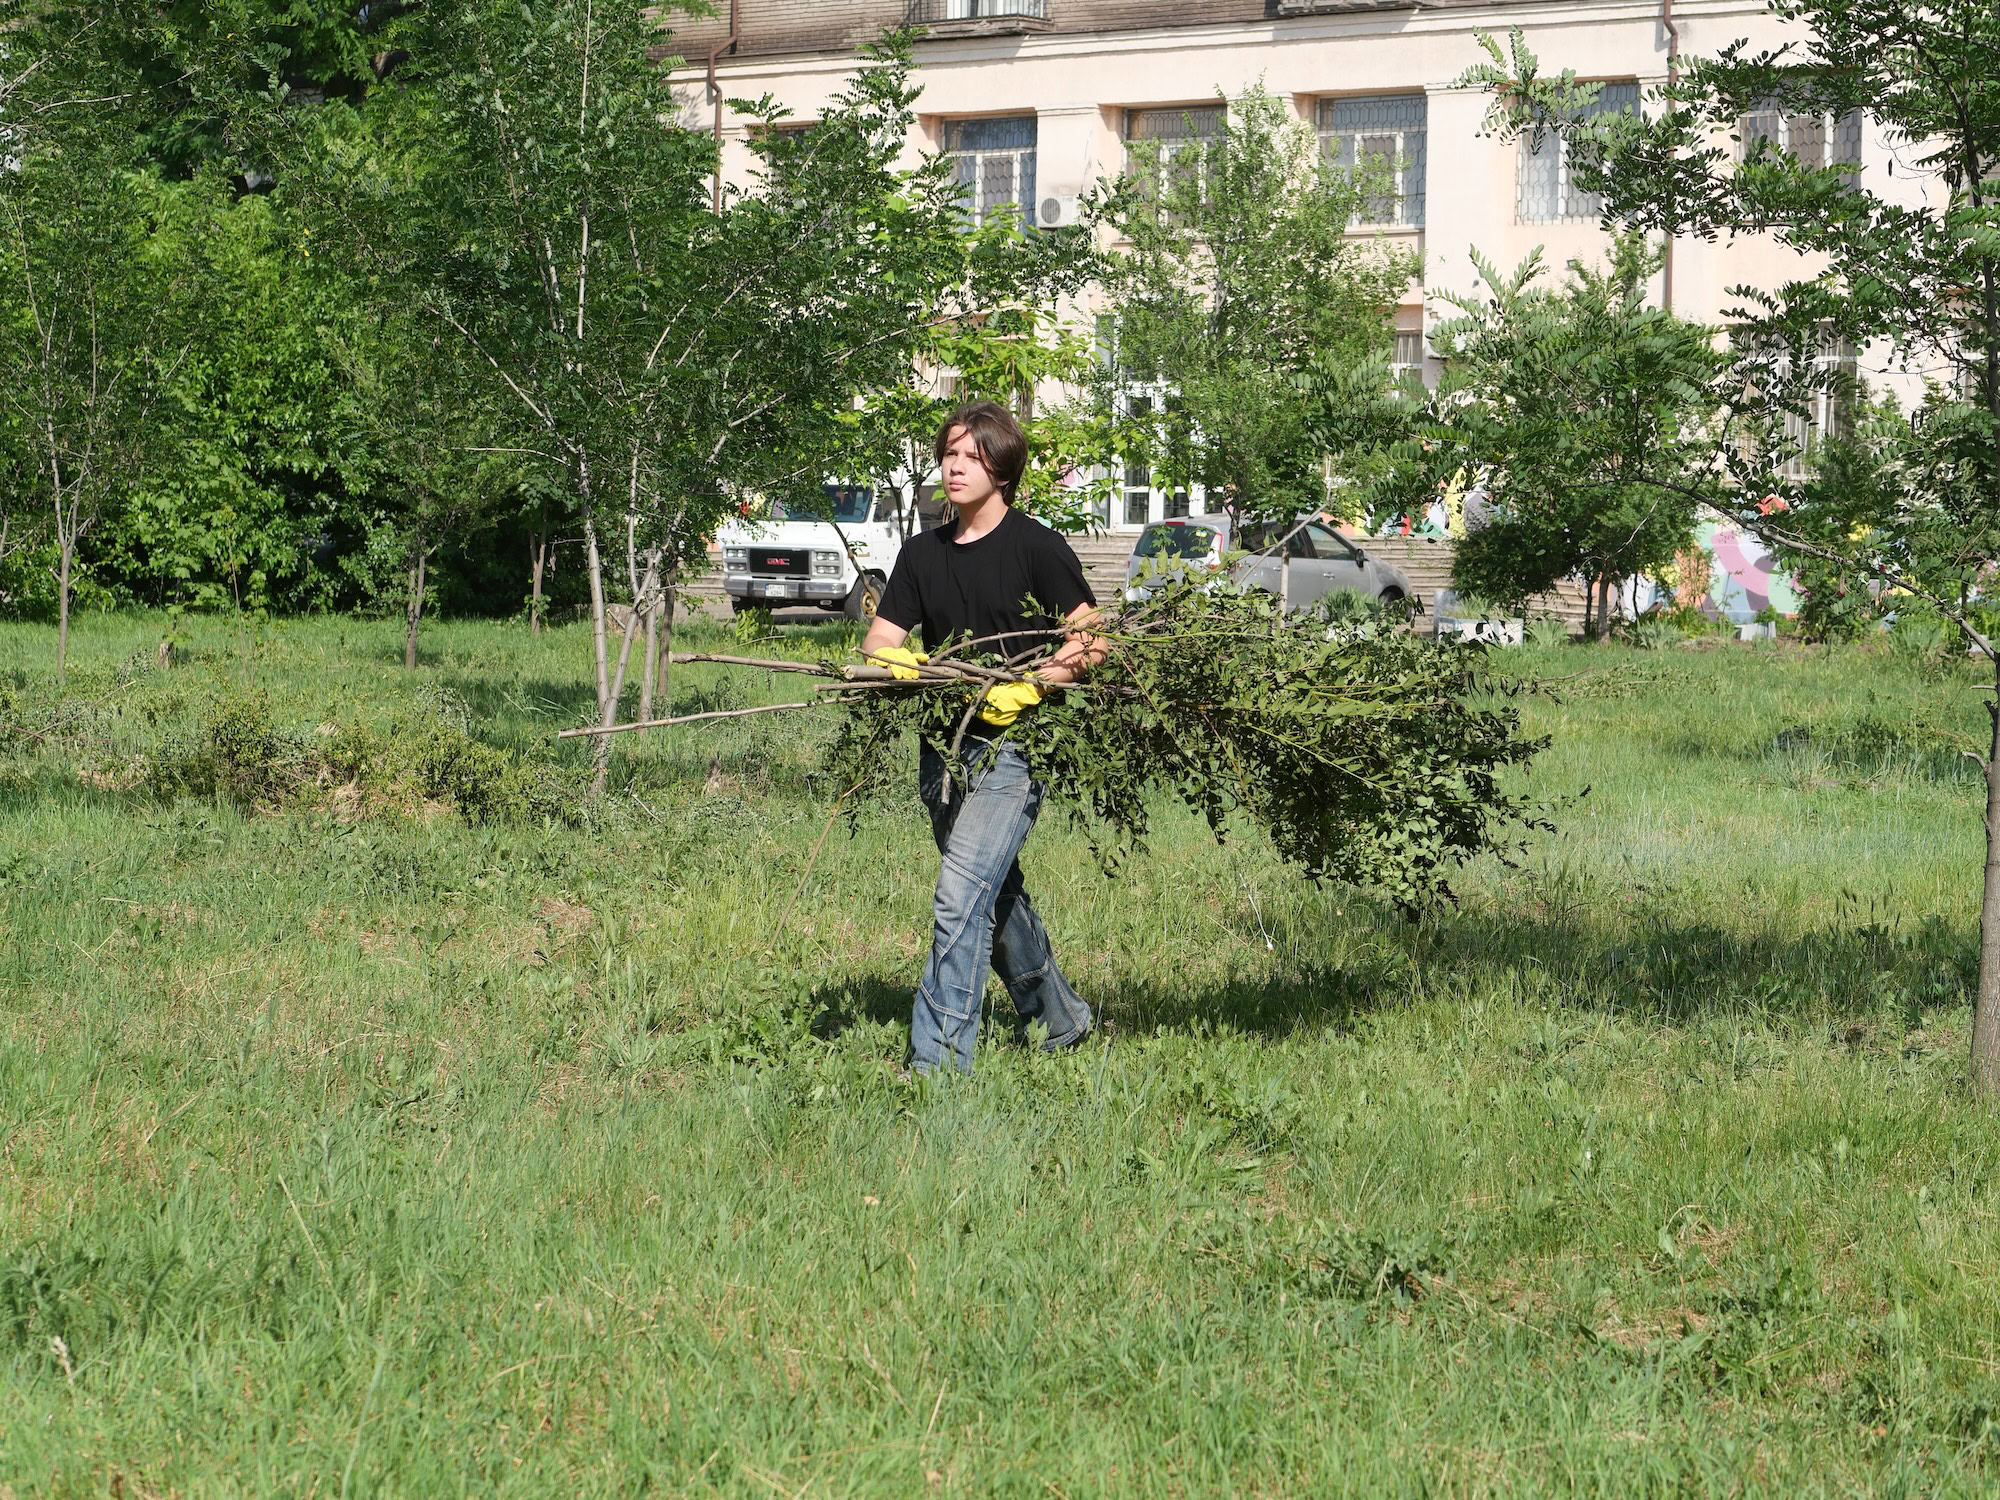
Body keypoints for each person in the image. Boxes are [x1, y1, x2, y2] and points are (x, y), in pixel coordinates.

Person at [858, 402, 1104, 1075]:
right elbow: (881, 638)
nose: (954, 465)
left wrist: (1034, 685)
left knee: (959, 897)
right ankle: (1061, 1018)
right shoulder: (920, 555)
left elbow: (1090, 638)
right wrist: (900, 661)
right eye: (949, 454)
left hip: (1017, 748)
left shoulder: (1037, 547)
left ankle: (935, 1066)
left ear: (1001, 468)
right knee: (992, 892)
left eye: (970, 455)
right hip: (944, 752)